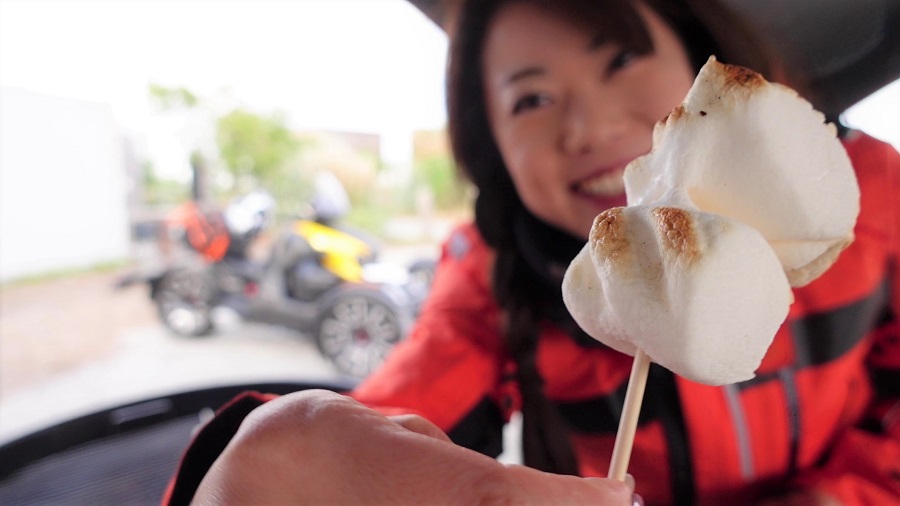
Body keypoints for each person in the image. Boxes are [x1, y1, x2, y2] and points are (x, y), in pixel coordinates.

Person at [164, 0, 900, 504]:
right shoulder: (489, 276)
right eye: (531, 100)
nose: (587, 126)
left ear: (695, 49)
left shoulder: (867, 201)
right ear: (493, 149)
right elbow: (392, 418)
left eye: (620, 60)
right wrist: (268, 461)